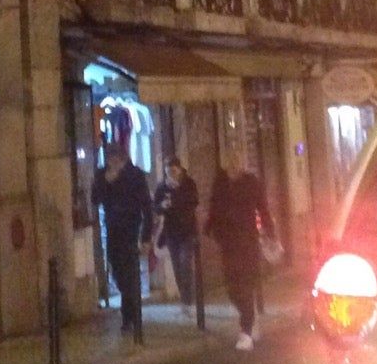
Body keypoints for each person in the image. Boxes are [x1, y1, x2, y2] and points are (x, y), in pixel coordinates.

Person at [206, 149, 275, 352]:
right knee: (232, 287)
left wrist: (270, 232)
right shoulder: (220, 183)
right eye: (230, 160)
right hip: (227, 241)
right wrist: (209, 227)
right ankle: (250, 317)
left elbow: (263, 208)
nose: (234, 164)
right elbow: (214, 207)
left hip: (247, 241)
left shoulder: (251, 182)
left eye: (237, 160)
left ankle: (246, 331)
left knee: (244, 284)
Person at [90, 141, 152, 333]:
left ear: (123, 158)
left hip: (130, 229)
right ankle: (131, 309)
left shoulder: (135, 175)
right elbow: (94, 199)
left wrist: (146, 236)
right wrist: (105, 182)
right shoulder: (102, 175)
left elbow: (146, 207)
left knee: (129, 272)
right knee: (117, 272)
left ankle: (129, 317)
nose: (112, 161)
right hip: (112, 229)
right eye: (109, 158)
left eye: (116, 158)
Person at [153, 156, 200, 309]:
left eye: (173, 171)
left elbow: (194, 202)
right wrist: (163, 205)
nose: (171, 175)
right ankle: (185, 299)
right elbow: (156, 208)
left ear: (179, 169)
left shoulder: (188, 183)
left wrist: (176, 195)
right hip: (171, 233)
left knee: (185, 263)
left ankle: (188, 300)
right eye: (168, 172)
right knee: (177, 268)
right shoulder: (162, 187)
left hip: (188, 231)